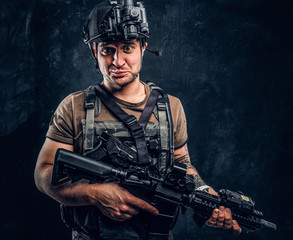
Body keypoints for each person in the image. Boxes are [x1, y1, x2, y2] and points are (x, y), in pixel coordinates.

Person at [34, 0, 242, 239]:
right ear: (95, 52)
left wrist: (206, 197)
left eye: (127, 48)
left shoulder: (170, 107)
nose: (117, 61)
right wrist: (95, 194)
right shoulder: (74, 106)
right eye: (107, 50)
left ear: (143, 47)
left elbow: (183, 166)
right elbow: (44, 173)